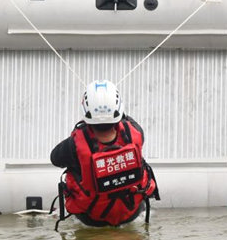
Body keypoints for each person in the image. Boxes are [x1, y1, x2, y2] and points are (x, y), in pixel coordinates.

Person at [51, 80, 158, 227]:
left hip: (91, 218)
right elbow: (126, 119)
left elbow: (55, 159)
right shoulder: (136, 131)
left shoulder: (74, 144)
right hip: (132, 213)